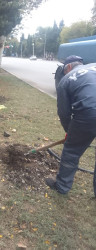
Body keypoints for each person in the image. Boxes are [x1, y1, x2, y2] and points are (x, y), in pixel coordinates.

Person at [45, 55, 96, 198]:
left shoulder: (66, 80)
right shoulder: (93, 65)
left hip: (89, 113)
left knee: (71, 152)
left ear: (67, 67)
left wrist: (69, 132)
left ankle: (61, 186)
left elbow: (64, 113)